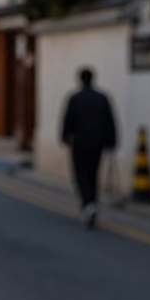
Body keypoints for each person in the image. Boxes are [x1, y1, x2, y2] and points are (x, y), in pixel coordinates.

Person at [61, 67, 117, 228]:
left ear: (80, 79)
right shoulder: (102, 98)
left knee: (80, 175)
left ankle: (87, 204)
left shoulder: (74, 99)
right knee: (93, 174)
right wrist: (111, 141)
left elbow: (68, 120)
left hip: (79, 143)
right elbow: (110, 120)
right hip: (97, 143)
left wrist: (65, 137)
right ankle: (92, 202)